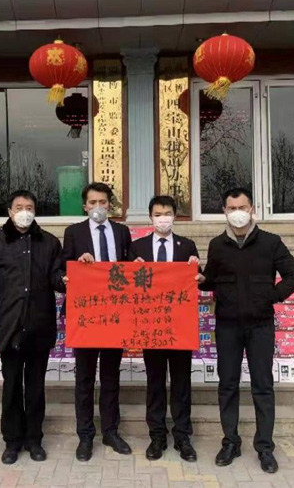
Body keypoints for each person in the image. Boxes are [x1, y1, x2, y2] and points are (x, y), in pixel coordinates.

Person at [200, 187, 294, 474]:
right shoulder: (217, 245)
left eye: (242, 207)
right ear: (224, 211)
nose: (238, 213)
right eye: (232, 208)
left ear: (252, 209)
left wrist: (272, 296)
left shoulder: (270, 242)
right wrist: (198, 278)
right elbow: (211, 280)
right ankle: (230, 442)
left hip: (260, 325)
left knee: (262, 386)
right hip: (227, 325)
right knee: (227, 385)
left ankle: (265, 447)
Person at [0, 190, 66, 465]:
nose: (24, 211)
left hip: (39, 325)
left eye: (29, 207)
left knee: (36, 387)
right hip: (9, 326)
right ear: (10, 211)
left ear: (35, 211)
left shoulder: (49, 242)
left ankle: (34, 439)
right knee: (12, 385)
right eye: (19, 207)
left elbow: (57, 278)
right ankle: (12, 441)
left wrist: (68, 279)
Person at [128, 195, 202, 462]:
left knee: (182, 382)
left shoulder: (187, 246)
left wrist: (197, 270)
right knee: (155, 382)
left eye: (168, 213)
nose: (163, 219)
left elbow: (197, 280)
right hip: (151, 325)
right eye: (158, 214)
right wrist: (132, 270)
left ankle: (182, 436)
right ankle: (157, 435)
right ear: (150, 217)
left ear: (175, 216)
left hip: (180, 325)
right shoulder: (137, 247)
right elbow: (126, 286)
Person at [62, 182, 132, 461]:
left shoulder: (122, 231)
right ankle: (85, 435)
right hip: (86, 315)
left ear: (109, 205)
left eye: (103, 202)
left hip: (115, 313)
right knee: (85, 377)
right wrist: (78, 263)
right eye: (92, 202)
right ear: (84, 206)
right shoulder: (74, 232)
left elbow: (130, 267)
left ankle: (111, 431)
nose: (98, 207)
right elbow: (63, 269)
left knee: (111, 376)